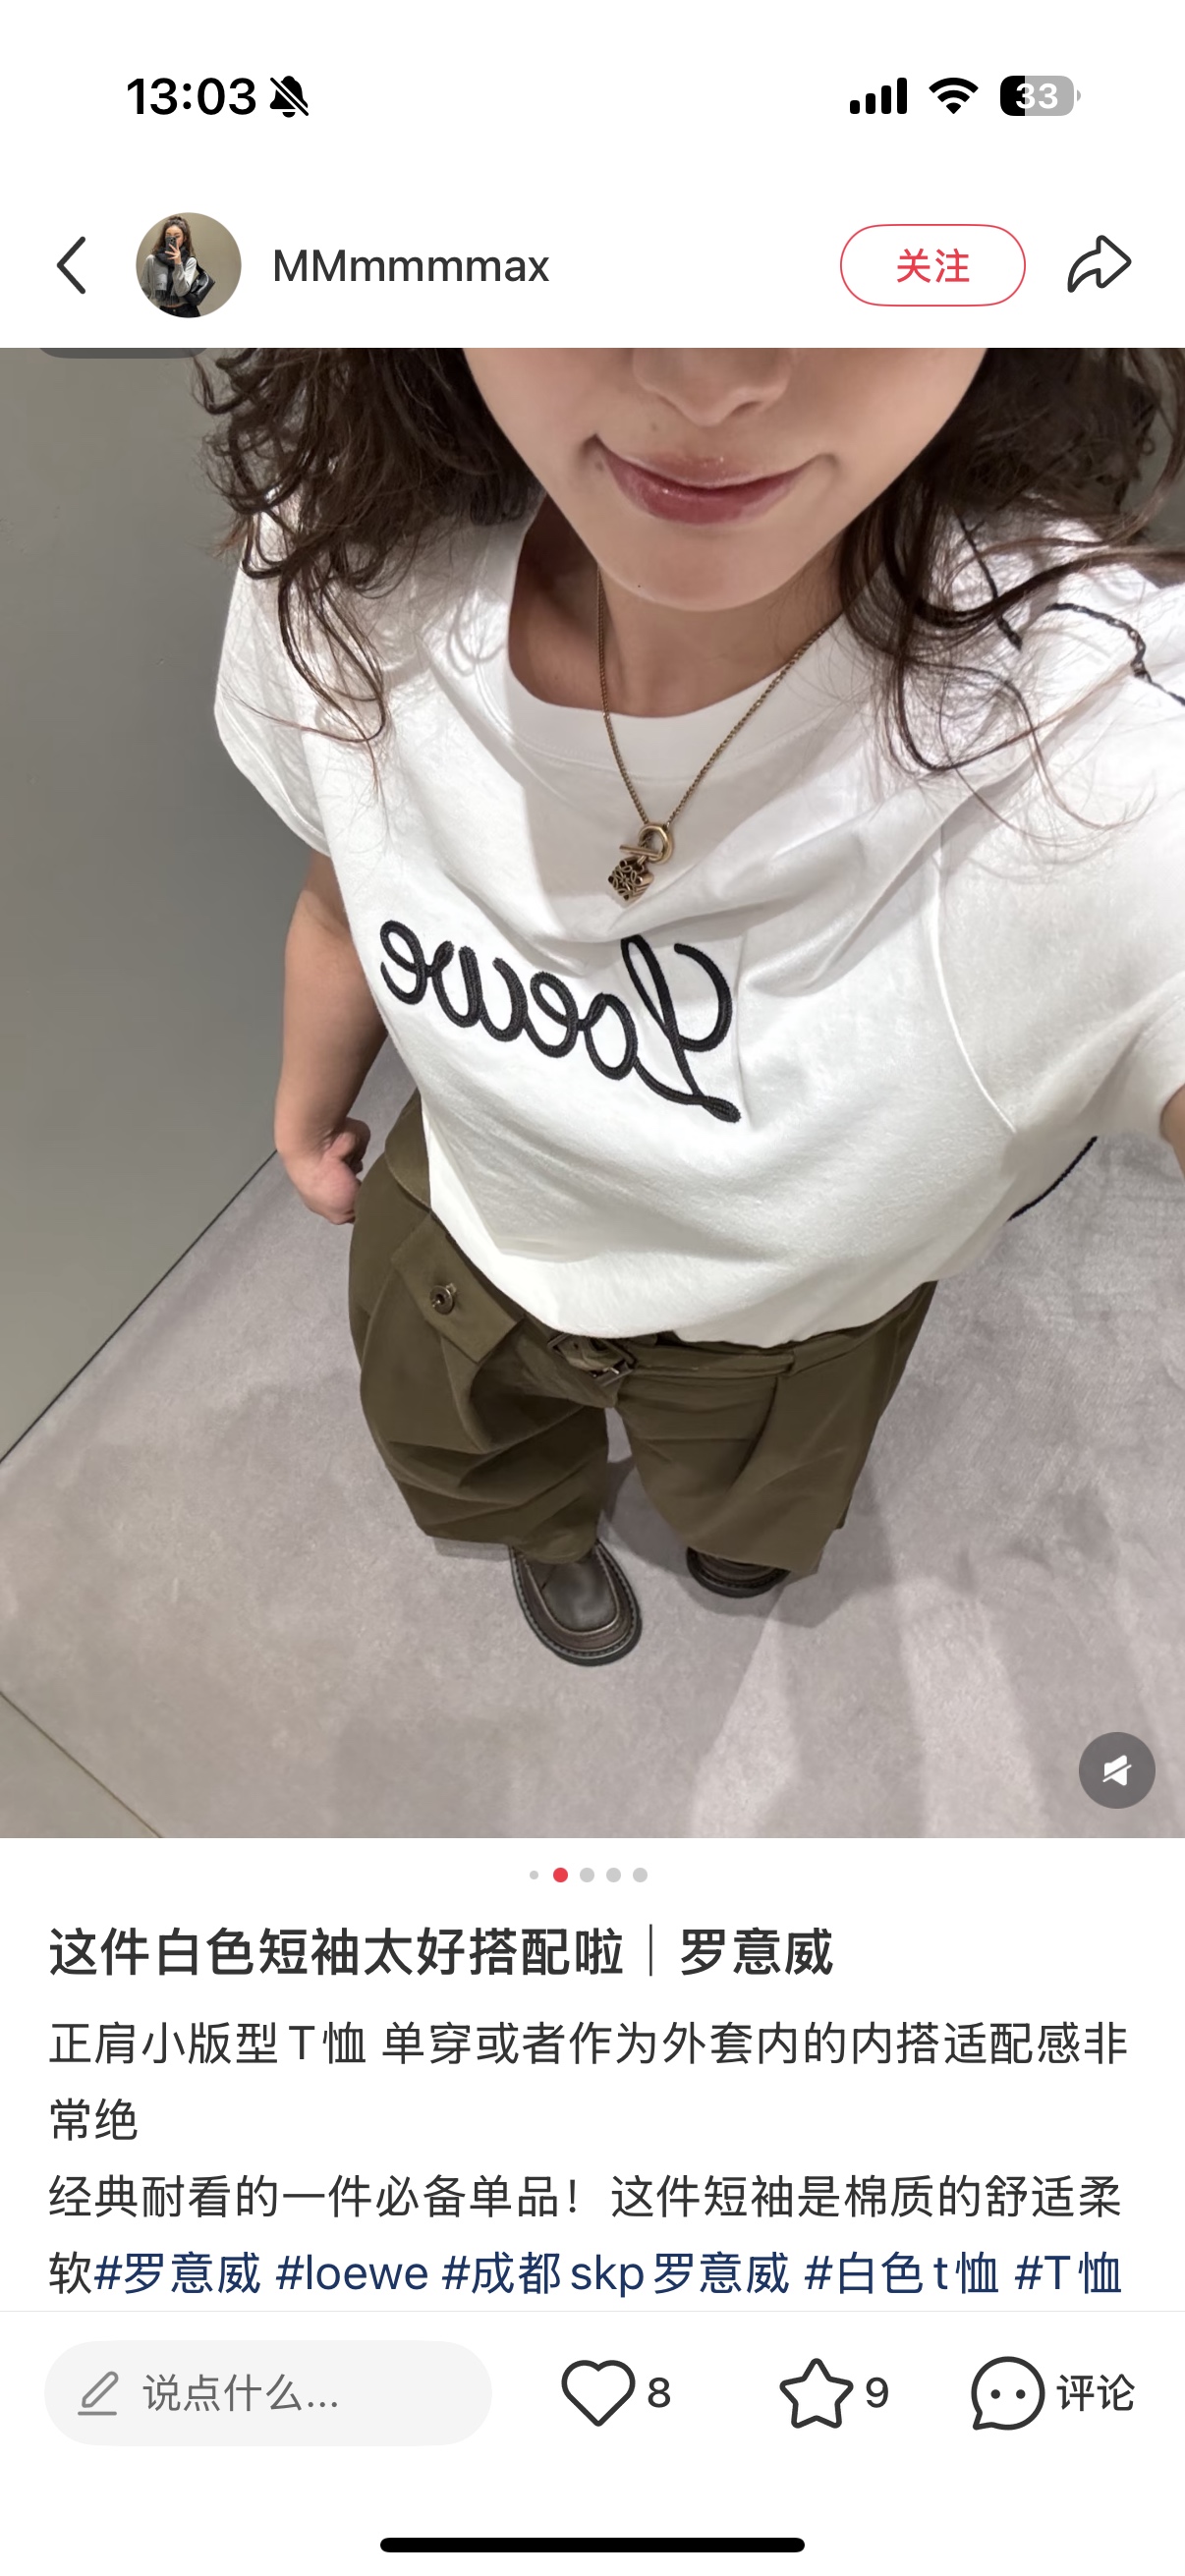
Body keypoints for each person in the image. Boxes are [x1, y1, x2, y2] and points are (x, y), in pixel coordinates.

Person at [207, 348, 1185, 1668]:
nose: (709, 378)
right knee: (474, 1457)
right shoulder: (354, 553)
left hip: (784, 1339)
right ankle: (546, 1533)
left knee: (755, 1501)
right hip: (461, 1233)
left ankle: (734, 1533)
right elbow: (343, 896)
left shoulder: (1092, 752)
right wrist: (306, 1102)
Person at [141, 218, 214, 317]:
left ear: (184, 238)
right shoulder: (152, 260)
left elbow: (181, 291)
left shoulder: (190, 261)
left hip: (186, 312)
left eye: (177, 236)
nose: (172, 239)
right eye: (168, 235)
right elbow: (144, 290)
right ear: (164, 237)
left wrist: (178, 263)